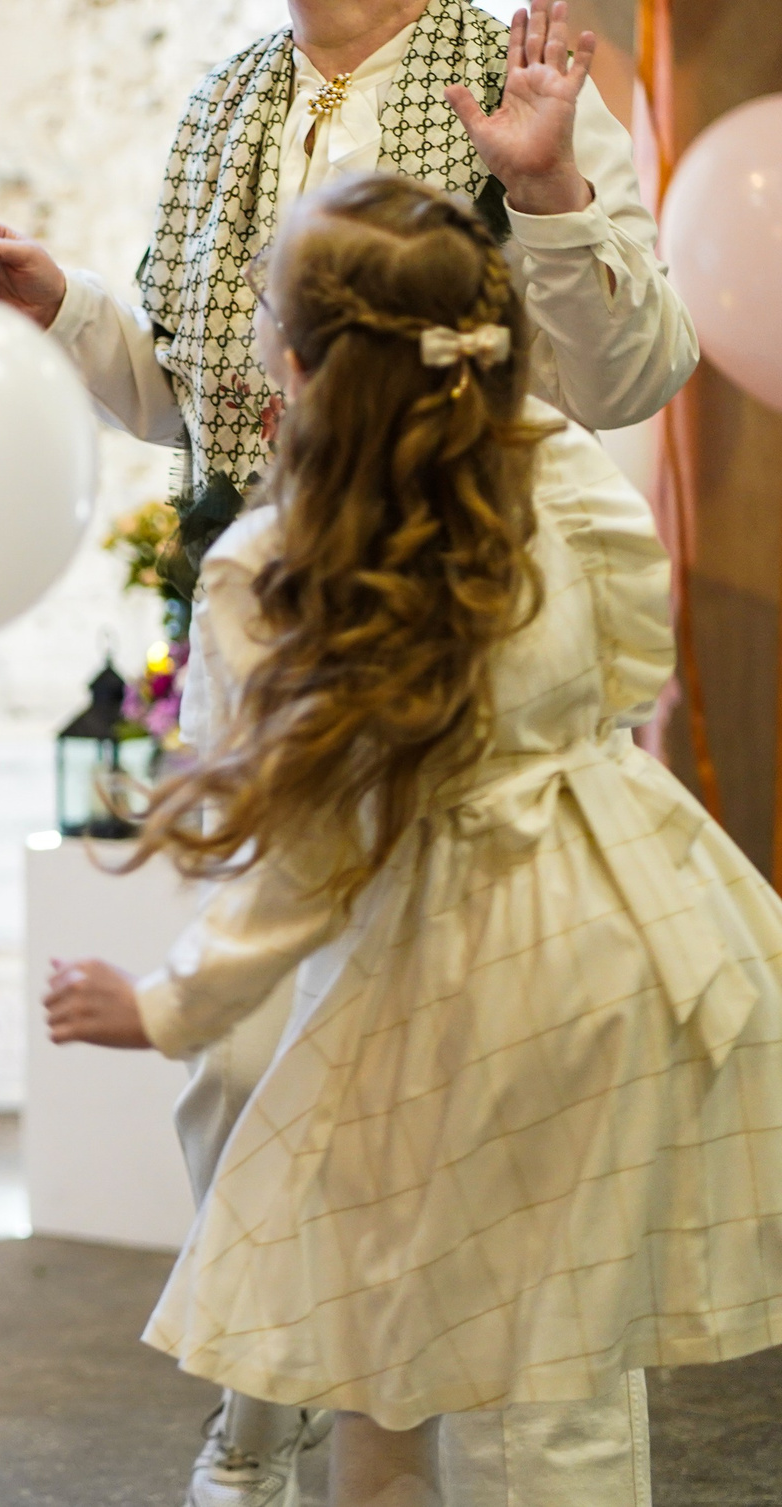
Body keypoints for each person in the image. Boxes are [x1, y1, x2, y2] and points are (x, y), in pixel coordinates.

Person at [0, 0, 697, 1502]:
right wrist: (67, 305)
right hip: (279, 605)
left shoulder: (528, 85)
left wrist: (551, 184)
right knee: (241, 1064)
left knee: (496, 1110)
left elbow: (634, 368)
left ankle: (480, 1432)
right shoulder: (227, 105)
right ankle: (279, 1413)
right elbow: (196, 396)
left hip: (467, 612)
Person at [45, 172, 782, 1507]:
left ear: (298, 360)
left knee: (383, 1331)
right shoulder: (561, 469)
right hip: (608, 934)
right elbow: (636, 654)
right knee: (560, 1357)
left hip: (425, 983)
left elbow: (301, 858)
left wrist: (165, 1003)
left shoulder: (273, 564)